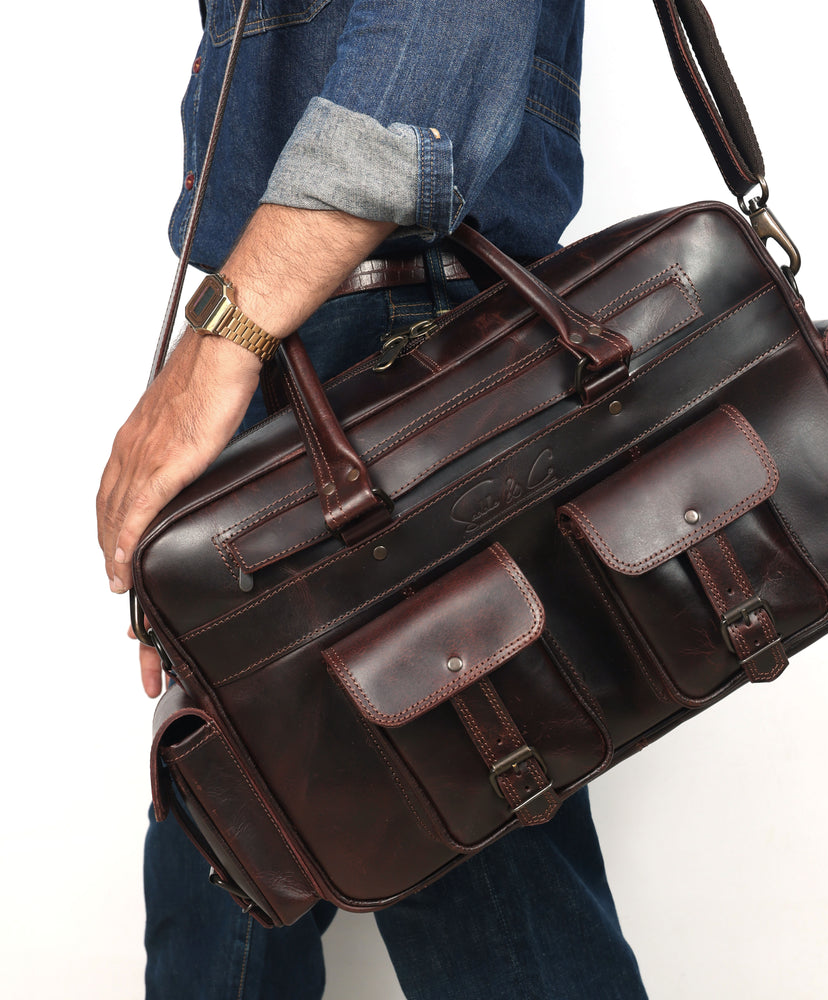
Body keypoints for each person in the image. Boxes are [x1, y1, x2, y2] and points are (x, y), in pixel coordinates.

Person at [97, 1, 648, 997]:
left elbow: (427, 72)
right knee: (220, 880)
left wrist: (218, 346)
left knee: (489, 906)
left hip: (381, 358)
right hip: (296, 352)